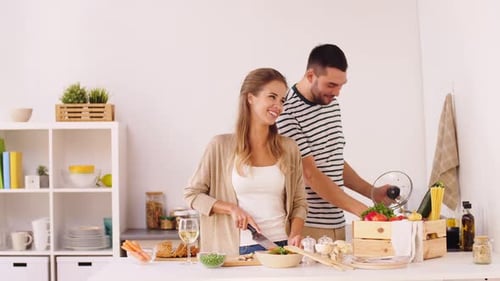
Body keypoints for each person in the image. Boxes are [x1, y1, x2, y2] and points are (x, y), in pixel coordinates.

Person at [184, 68, 308, 257]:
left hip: (282, 247)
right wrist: (231, 209)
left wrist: (295, 234)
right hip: (238, 249)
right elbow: (192, 195)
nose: (279, 106)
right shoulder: (220, 146)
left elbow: (299, 202)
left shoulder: (289, 148)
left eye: (282, 100)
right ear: (251, 98)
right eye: (272, 97)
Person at [276, 44, 391, 241]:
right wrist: (364, 212)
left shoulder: (330, 104)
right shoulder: (285, 111)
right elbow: (310, 174)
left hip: (337, 224)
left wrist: (372, 193)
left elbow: (333, 161)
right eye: (331, 85)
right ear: (311, 76)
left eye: (341, 85)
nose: (337, 93)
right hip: (307, 228)